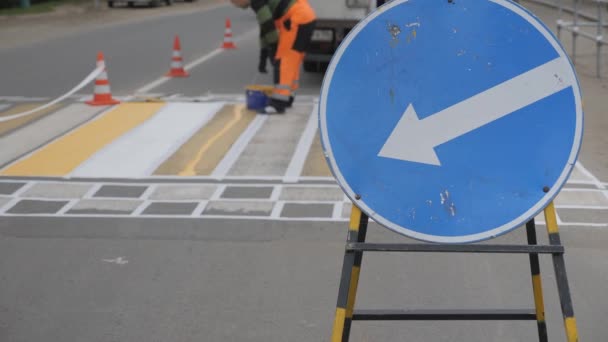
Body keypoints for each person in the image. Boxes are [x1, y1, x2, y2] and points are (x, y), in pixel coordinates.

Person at [230, 0, 317, 114]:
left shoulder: (257, 2)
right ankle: (288, 97)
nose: (234, 5)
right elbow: (264, 27)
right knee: (292, 59)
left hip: (296, 18)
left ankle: (278, 103)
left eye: (233, 1)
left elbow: (268, 25)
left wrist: (274, 47)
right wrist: (264, 53)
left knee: (284, 60)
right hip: (305, 17)